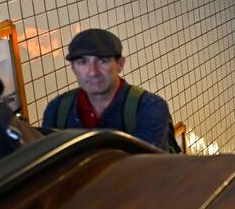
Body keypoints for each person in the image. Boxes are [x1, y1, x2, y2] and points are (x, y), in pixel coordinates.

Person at [41, 28, 176, 151]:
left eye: (102, 61)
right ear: (73, 68)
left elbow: (144, 169)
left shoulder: (148, 107)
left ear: (120, 64)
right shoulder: (57, 110)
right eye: (82, 62)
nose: (93, 72)